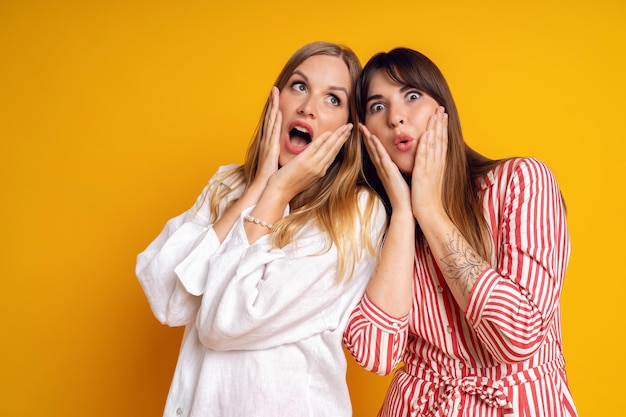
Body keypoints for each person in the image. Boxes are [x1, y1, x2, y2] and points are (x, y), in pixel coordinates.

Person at [135, 41, 387, 417]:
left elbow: (226, 324)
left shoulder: (357, 213)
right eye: (299, 86)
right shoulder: (228, 184)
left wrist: (280, 189)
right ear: (276, 99)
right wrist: (256, 190)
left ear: (349, 130)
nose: (307, 106)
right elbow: (168, 299)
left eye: (333, 100)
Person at [343, 47, 577, 416]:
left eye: (413, 96)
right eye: (377, 106)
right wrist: (404, 215)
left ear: (443, 111)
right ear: (364, 132)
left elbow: (518, 337)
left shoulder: (522, 183)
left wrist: (431, 213)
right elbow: (377, 355)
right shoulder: (371, 218)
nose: (396, 118)